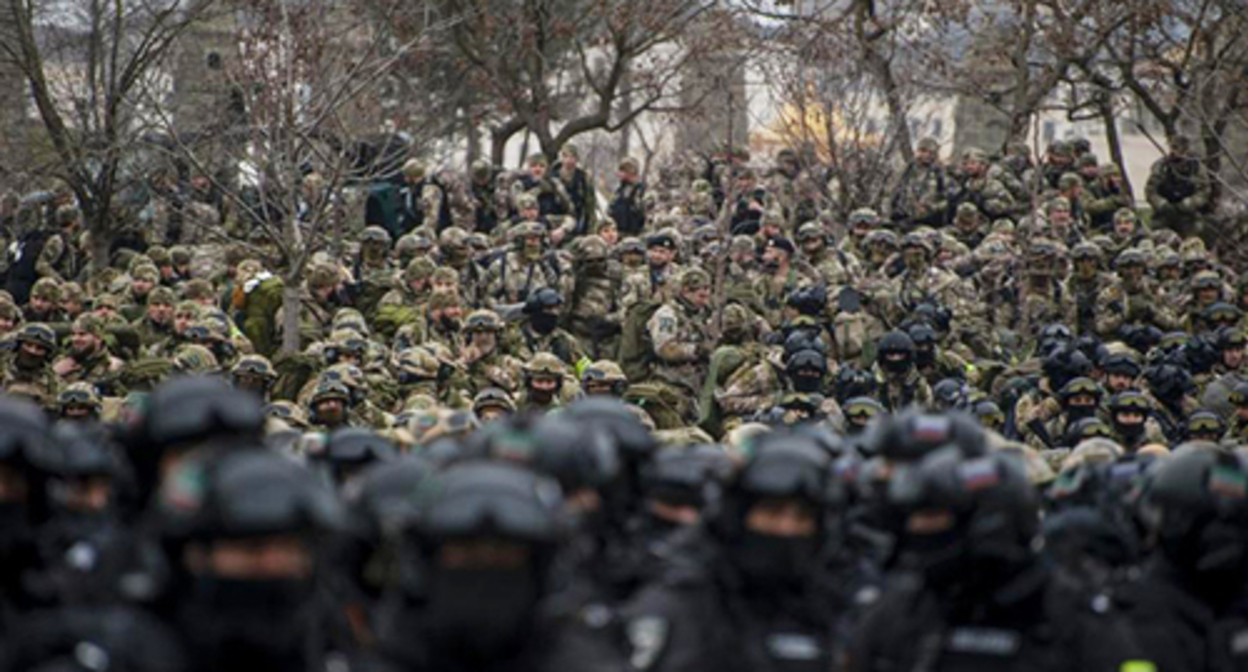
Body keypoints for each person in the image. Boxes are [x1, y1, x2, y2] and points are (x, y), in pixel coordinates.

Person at [622, 431, 852, 672]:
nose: (786, 528)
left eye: (802, 518)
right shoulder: (685, 601)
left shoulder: (828, 604)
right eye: (772, 512)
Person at [609, 157, 647, 237]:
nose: (619, 174)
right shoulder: (620, 190)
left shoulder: (639, 191)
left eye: (623, 171)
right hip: (618, 232)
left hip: (633, 234)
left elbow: (642, 215)